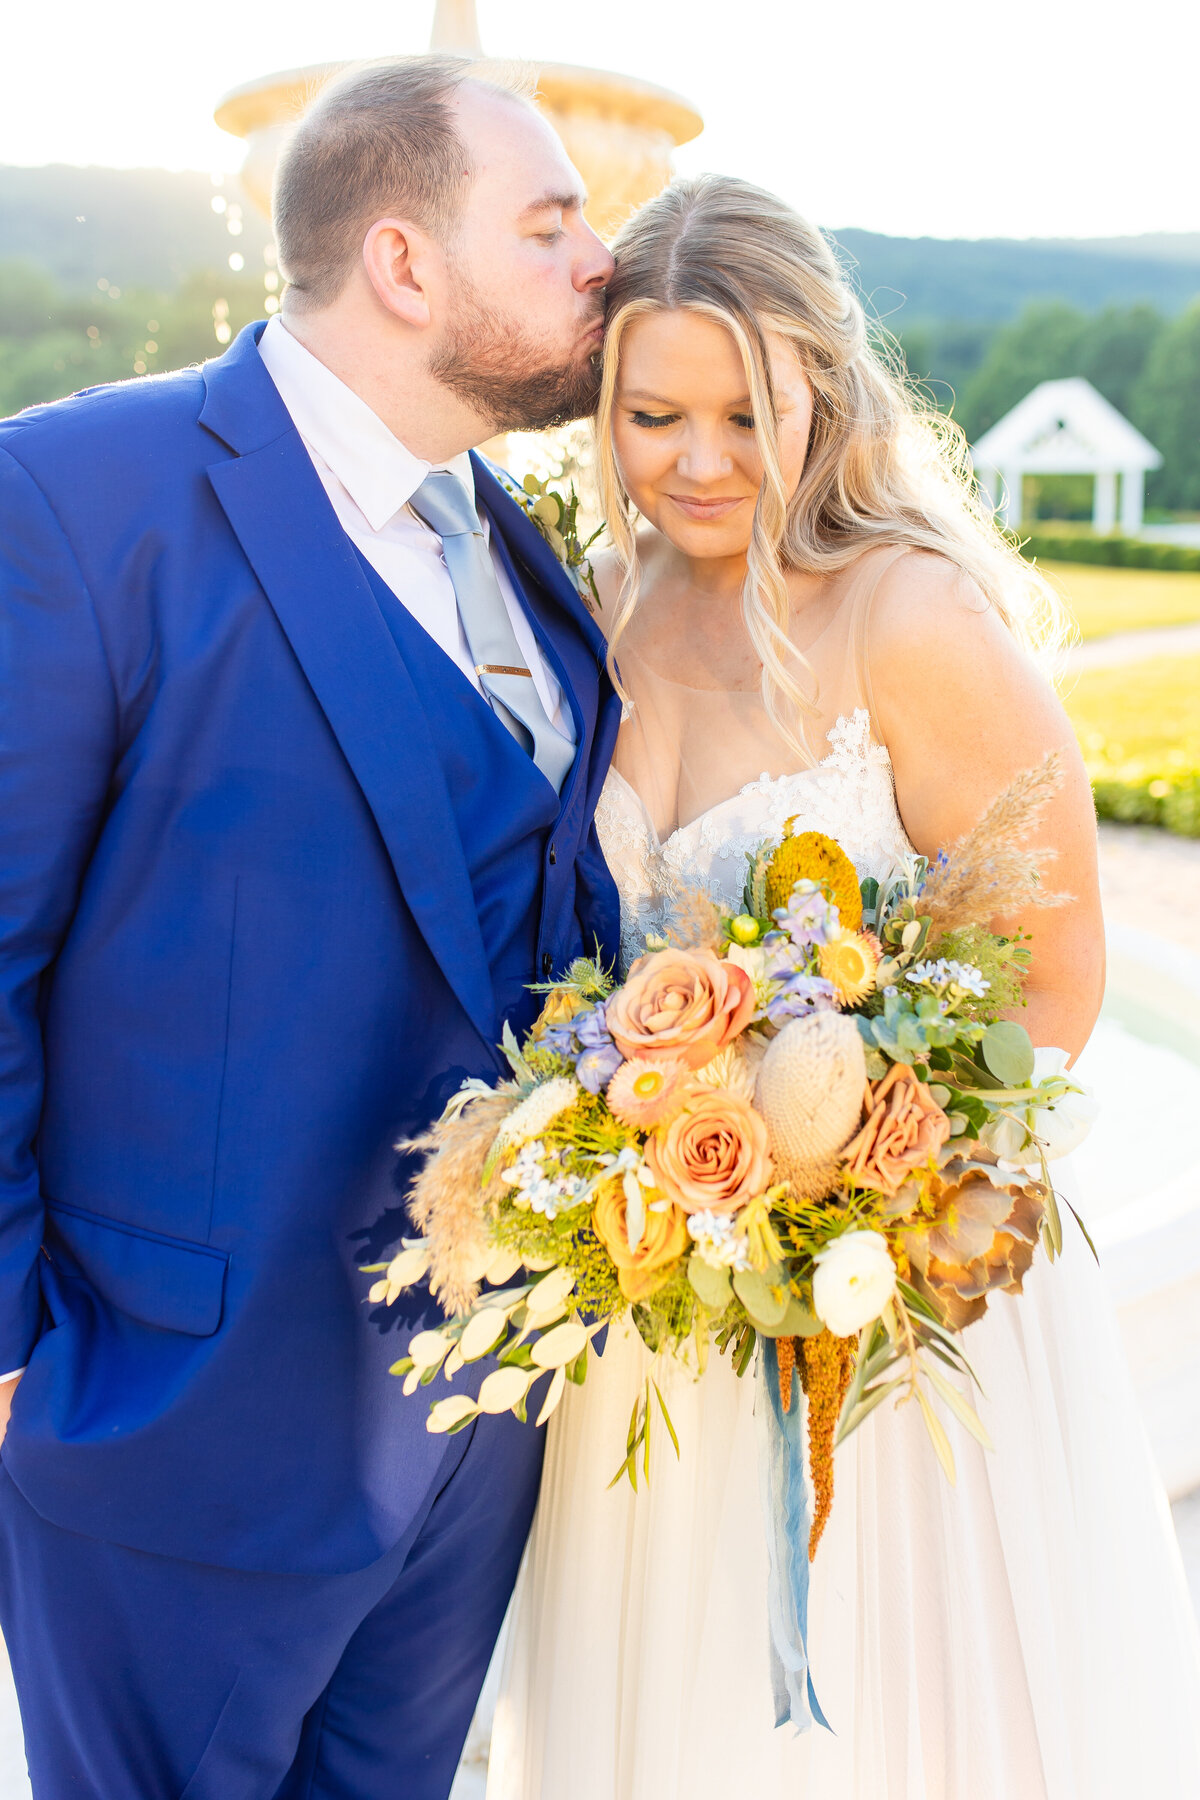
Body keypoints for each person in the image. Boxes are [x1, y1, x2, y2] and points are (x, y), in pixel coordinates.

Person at [486, 175, 1200, 1800]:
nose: (700, 459)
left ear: (823, 384)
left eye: (748, 411)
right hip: (662, 1306)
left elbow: (1060, 969)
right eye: (653, 412)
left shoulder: (908, 615)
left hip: (890, 1308)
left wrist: (865, 1190)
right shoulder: (600, 609)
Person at [0, 54, 618, 1799]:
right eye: (553, 222)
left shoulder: (519, 538)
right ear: (408, 266)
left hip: (477, 1428)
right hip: (175, 1431)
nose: (601, 263)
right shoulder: (73, 501)